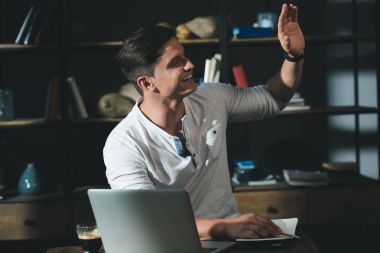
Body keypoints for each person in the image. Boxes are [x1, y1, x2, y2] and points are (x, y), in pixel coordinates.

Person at [104, 3, 304, 240]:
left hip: (233, 240)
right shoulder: (123, 143)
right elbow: (149, 220)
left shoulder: (212, 97)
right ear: (147, 84)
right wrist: (222, 227)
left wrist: (294, 55)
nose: (190, 65)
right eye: (176, 63)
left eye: (184, 56)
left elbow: (274, 98)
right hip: (174, 244)